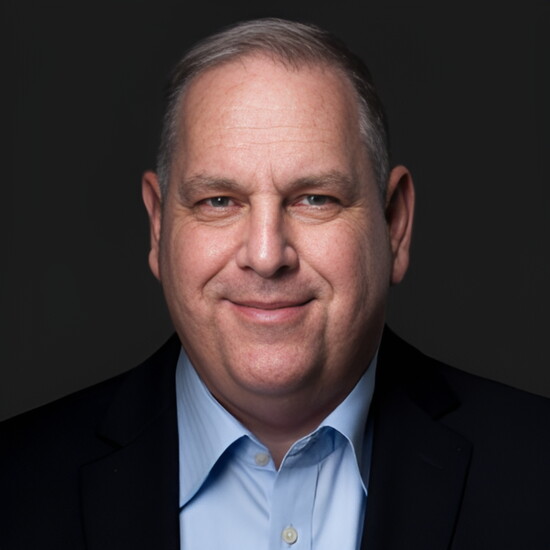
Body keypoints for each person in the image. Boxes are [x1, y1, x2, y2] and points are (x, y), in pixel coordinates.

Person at [1, 18, 549, 550]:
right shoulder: (16, 486)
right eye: (219, 201)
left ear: (395, 226)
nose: (266, 257)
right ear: (159, 227)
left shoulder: (536, 471)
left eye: (315, 199)